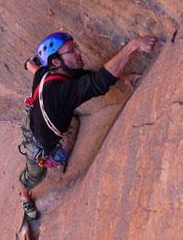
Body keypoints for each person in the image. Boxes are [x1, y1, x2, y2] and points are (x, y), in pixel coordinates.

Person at [19, 32, 157, 219]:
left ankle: (29, 63)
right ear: (57, 63)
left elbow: (80, 76)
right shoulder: (60, 93)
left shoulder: (47, 71)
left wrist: (121, 77)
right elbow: (97, 82)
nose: (78, 52)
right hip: (37, 142)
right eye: (71, 50)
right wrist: (133, 46)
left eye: (75, 47)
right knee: (34, 174)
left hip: (34, 116)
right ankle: (24, 196)